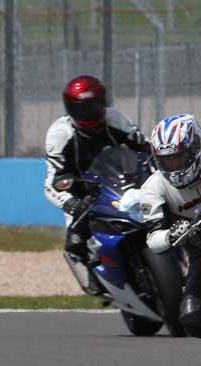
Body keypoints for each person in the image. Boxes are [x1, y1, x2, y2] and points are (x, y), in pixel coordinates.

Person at [43, 75, 150, 295]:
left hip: (123, 185)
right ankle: (93, 275)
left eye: (94, 106)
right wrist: (71, 203)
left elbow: (144, 146)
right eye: (82, 109)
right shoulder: (59, 134)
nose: (90, 113)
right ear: (70, 109)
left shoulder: (116, 119)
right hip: (85, 196)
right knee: (75, 242)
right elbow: (52, 182)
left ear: (103, 101)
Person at [141, 114, 201, 338]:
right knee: (192, 318)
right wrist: (171, 235)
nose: (173, 166)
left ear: (196, 148)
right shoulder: (153, 188)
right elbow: (153, 240)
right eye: (167, 161)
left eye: (179, 158)